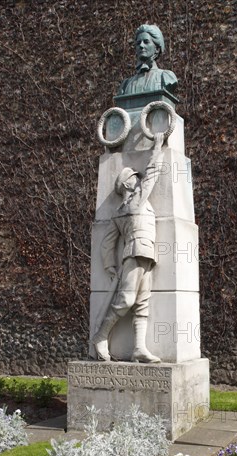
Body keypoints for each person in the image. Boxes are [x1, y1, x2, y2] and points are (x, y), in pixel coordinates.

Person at [93, 132, 165, 363]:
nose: (138, 179)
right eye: (135, 177)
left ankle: (138, 348)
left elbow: (107, 244)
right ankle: (101, 336)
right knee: (126, 301)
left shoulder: (122, 209)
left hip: (146, 254)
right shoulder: (135, 201)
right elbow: (152, 173)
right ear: (127, 183)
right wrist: (157, 146)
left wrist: (110, 265)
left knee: (142, 303)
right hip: (135, 254)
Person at [118, 24, 178, 96]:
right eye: (138, 43)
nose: (141, 45)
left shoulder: (165, 77)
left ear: (157, 49)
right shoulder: (125, 85)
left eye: (146, 42)